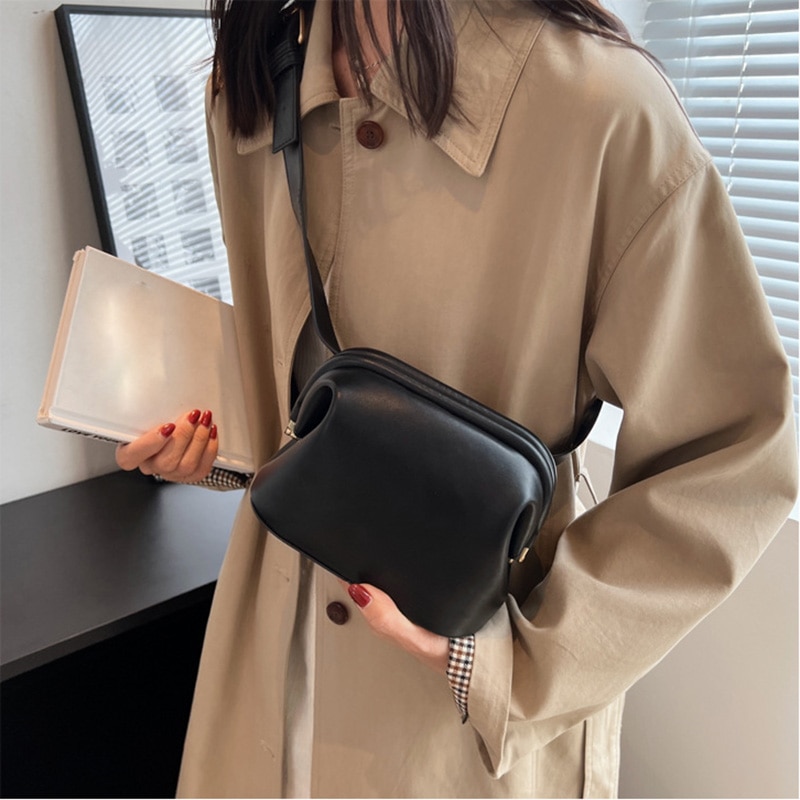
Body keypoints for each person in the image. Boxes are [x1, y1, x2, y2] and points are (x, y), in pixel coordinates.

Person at [115, 0, 797, 796]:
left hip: (457, 709)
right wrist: (209, 444)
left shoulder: (602, 108)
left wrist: (517, 665)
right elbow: (282, 365)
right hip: (267, 664)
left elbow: (735, 449)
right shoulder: (253, 82)